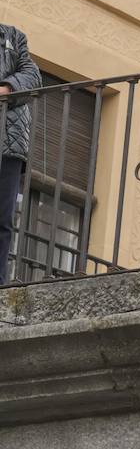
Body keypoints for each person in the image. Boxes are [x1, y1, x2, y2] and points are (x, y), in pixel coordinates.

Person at [1, 22, 42, 283]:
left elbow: (33, 77)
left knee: (2, 219)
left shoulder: (12, 37)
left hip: (8, 144)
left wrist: (5, 90)